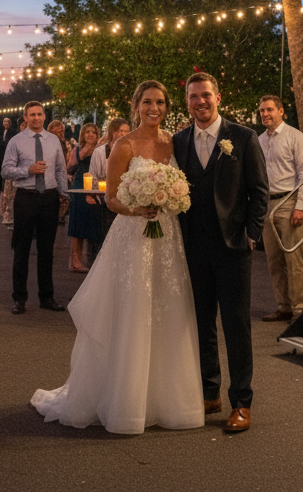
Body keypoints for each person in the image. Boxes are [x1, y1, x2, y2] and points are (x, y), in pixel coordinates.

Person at [31, 81, 204, 435]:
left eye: (159, 102)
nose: (153, 108)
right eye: (147, 102)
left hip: (167, 237)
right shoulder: (123, 145)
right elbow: (110, 198)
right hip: (133, 235)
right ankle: (126, 402)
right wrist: (138, 208)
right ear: (136, 105)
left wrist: (169, 198)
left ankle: (167, 399)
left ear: (167, 107)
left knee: (168, 311)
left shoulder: (173, 143)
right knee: (133, 312)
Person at [173, 72, 268, 433]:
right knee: (201, 323)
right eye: (194, 96)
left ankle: (241, 402)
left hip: (233, 247)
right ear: (188, 102)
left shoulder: (243, 137)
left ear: (218, 97)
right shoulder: (179, 141)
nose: (200, 102)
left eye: (206, 96)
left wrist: (252, 234)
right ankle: (209, 392)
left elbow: (260, 190)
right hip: (192, 246)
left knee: (235, 326)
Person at [1, 102, 68, 315]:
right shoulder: (16, 141)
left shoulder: (53, 140)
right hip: (26, 198)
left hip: (49, 198)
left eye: (40, 114)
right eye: (32, 115)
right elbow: (5, 171)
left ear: (44, 116)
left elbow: (60, 168)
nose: (37, 118)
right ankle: (19, 298)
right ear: (25, 117)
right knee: (21, 250)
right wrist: (27, 170)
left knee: (47, 251)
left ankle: (46, 296)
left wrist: (64, 194)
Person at [257, 96, 303, 322]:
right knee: (274, 261)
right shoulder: (260, 140)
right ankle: (283, 306)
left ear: (281, 111)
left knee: (294, 260)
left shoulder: (295, 137)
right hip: (267, 205)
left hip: (289, 204)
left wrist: (300, 206)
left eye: (269, 109)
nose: (265, 114)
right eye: (262, 110)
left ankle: (301, 308)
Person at [87, 118, 130, 260]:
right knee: (103, 233)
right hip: (103, 199)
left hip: (124, 199)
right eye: (119, 131)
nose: (122, 134)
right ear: (112, 132)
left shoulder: (130, 151)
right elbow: (93, 175)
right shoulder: (100, 152)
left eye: (125, 131)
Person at [65, 123, 101, 273]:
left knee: (92, 221)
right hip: (80, 183)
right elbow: (71, 167)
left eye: (93, 132)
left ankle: (90, 258)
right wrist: (87, 148)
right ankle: (74, 260)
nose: (90, 134)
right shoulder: (78, 149)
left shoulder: (101, 149)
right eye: (87, 132)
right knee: (78, 223)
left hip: (95, 184)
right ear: (83, 135)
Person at [48, 120, 70, 225]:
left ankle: (59, 216)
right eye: (55, 127)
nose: (58, 129)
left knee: (63, 196)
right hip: (50, 172)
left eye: (60, 127)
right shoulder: (48, 141)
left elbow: (67, 158)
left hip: (62, 171)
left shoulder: (65, 142)